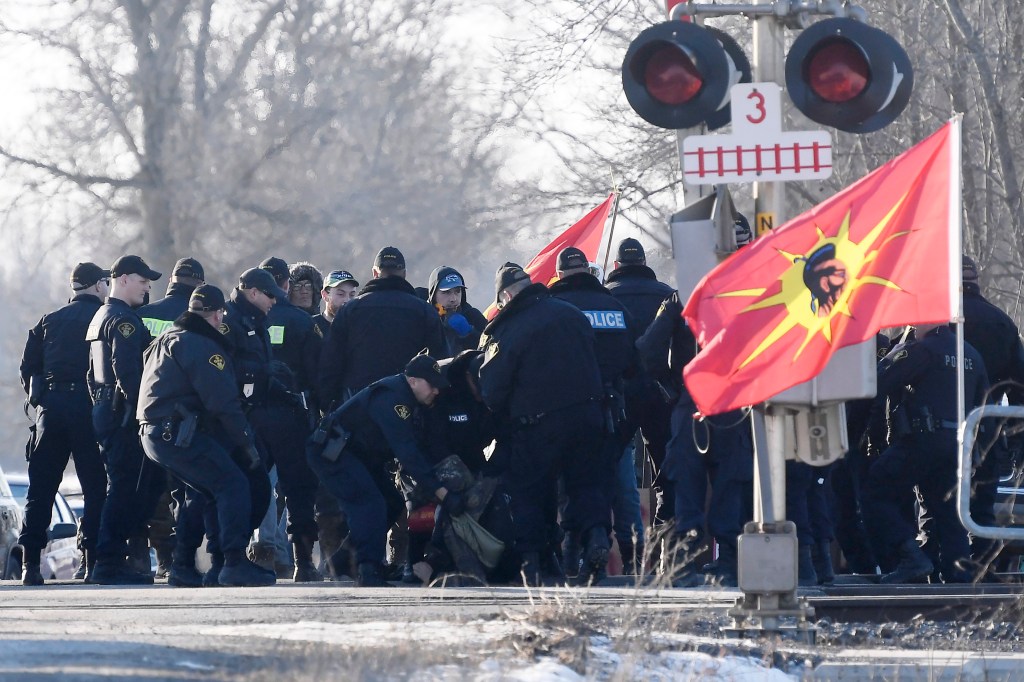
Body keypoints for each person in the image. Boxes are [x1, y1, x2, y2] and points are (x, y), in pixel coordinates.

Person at [479, 263, 610, 585]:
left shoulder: (507, 328)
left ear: (506, 295)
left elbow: (493, 387)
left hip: (538, 425)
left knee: (529, 492)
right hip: (590, 415)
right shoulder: (572, 313)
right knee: (585, 485)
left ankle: (533, 563)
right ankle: (596, 538)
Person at [138, 284, 274, 587]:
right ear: (216, 315)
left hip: (155, 434)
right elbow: (223, 404)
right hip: (178, 434)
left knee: (202, 491)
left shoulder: (168, 338)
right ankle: (233, 562)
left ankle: (185, 565)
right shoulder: (202, 346)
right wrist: (246, 443)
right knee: (232, 483)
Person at [306, 354, 462, 586]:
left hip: (356, 456)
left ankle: (343, 562)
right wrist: (441, 492)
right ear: (413, 381)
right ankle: (368, 568)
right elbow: (407, 452)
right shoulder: (393, 398)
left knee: (391, 502)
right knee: (369, 503)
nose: (436, 392)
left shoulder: (410, 399)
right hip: (334, 454)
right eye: (432, 385)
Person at [637, 291, 753, 587]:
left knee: (687, 484)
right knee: (730, 482)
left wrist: (673, 388)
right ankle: (730, 562)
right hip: (733, 404)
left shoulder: (682, 297)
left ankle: (684, 564)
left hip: (691, 404)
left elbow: (648, 350)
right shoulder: (747, 292)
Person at [863, 323, 989, 583]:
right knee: (947, 512)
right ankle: (959, 582)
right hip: (959, 444)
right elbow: (985, 402)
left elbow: (878, 381)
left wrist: (891, 355)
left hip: (923, 440)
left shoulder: (920, 351)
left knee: (874, 489)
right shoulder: (972, 354)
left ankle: (910, 556)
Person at [549, 247, 642, 576]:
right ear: (588, 272)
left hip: (565, 412)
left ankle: (571, 556)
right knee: (619, 485)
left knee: (568, 487)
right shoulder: (615, 308)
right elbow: (635, 361)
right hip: (612, 412)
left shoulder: (553, 310)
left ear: (559, 274)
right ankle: (630, 560)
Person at [17, 263, 110, 585]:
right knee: (95, 487)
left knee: (40, 490)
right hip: (89, 408)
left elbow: (28, 370)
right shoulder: (104, 319)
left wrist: (42, 399)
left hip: (52, 409)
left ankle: (30, 564)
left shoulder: (49, 321)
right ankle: (93, 560)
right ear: (98, 286)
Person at [86, 255, 167, 585]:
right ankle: (108, 559)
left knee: (127, 484)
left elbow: (92, 374)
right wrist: (142, 412)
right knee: (126, 488)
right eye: (143, 279)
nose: (148, 285)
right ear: (122, 279)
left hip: (108, 409)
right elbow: (127, 371)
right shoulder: (124, 320)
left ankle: (115, 557)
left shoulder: (100, 315)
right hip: (124, 413)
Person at [253, 257, 324, 582]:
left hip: (251, 414)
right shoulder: (302, 322)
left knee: (253, 483)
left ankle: (253, 551)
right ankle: (302, 562)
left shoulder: (245, 319)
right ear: (285, 285)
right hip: (294, 414)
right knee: (298, 490)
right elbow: (318, 376)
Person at [136, 256, 206, 578]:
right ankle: (184, 558)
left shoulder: (144, 315)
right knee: (187, 489)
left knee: (153, 491)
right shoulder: (201, 319)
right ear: (200, 287)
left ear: (172, 281)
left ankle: (162, 556)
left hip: (146, 414)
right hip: (188, 417)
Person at [604, 238, 677, 527]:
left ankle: (617, 540)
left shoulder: (603, 298)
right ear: (645, 264)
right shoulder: (668, 295)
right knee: (668, 467)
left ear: (616, 265)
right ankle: (668, 535)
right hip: (661, 394)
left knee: (609, 468)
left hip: (618, 396)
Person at [319, 246, 443, 407]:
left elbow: (331, 363)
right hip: (407, 402)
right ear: (404, 274)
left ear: (375, 273)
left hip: (358, 404)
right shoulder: (424, 311)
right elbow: (439, 360)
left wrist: (327, 406)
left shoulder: (351, 310)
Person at [426, 266, 487, 358]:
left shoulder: (473, 316)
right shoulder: (423, 319)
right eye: (446, 292)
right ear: (433, 294)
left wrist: (470, 334)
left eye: (457, 291)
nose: (453, 299)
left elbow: (493, 351)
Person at [313, 269, 359, 339]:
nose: (347, 300)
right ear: (325, 295)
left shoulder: (360, 327)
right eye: (341, 294)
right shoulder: (311, 325)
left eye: (352, 295)